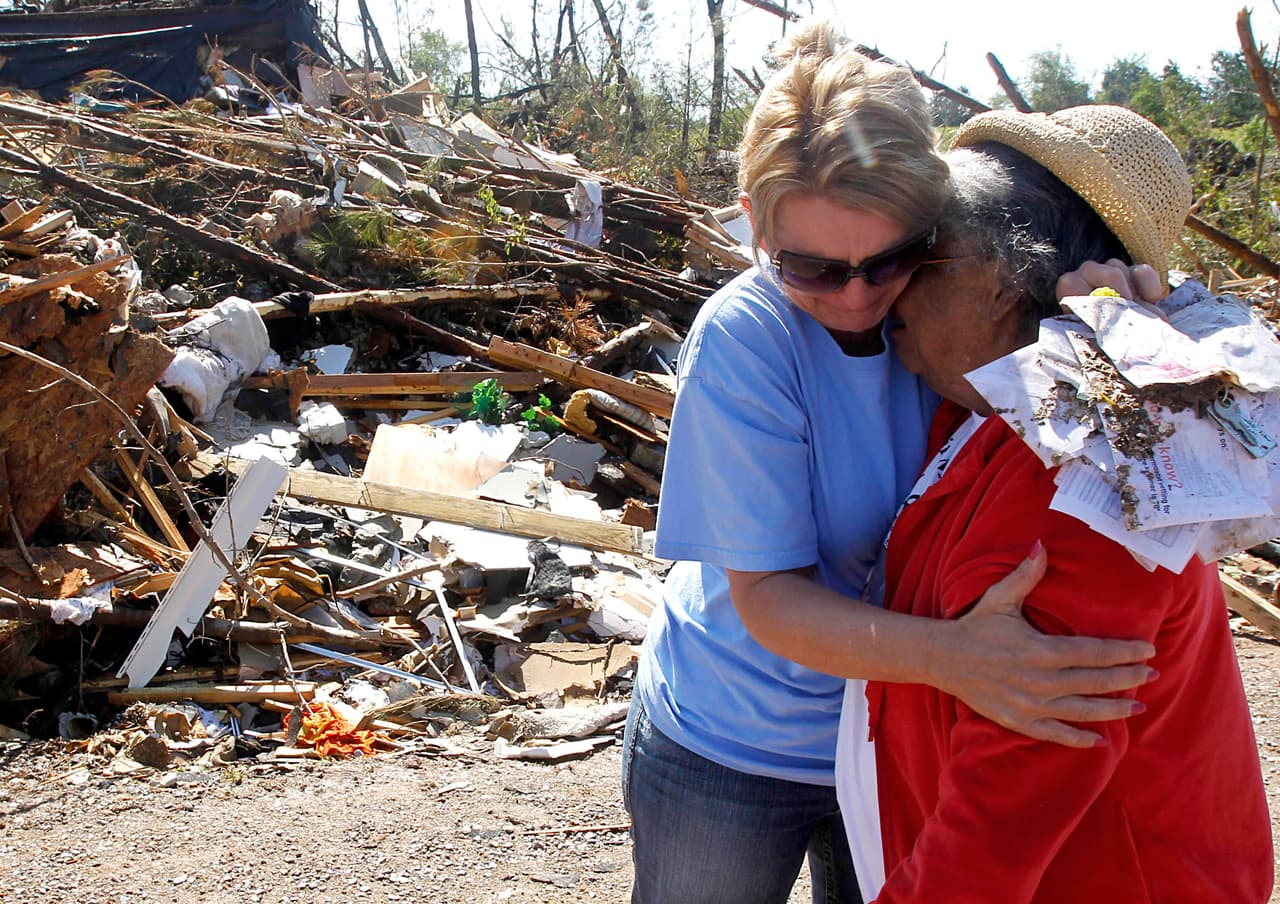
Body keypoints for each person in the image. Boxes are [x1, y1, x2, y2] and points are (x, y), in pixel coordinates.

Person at [623, 20, 1159, 904]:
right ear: (754, 226)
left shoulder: (975, 321)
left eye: (891, 261)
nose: (859, 298)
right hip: (738, 738)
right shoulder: (750, 336)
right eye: (812, 268)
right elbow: (771, 599)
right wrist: (957, 659)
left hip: (891, 734)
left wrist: (1131, 339)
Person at [837, 105, 1274, 902]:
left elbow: (1003, 813)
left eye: (921, 252)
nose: (886, 279)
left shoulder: (1092, 477)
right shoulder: (985, 416)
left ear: (1002, 276)